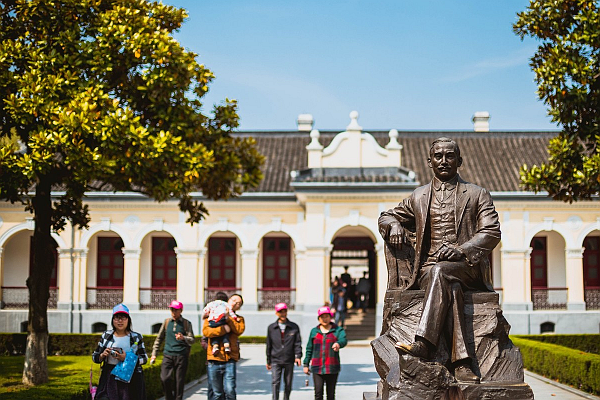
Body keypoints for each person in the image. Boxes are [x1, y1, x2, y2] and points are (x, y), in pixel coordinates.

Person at [378, 137, 501, 384]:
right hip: (427, 271)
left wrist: (462, 250)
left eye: (449, 156)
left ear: (459, 161)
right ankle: (462, 362)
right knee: (445, 281)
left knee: (442, 272)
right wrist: (393, 226)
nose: (443, 161)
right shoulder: (419, 196)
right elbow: (386, 216)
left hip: (467, 268)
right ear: (429, 161)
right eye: (438, 156)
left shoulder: (477, 194)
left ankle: (423, 343)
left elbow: (491, 232)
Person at [92, 303, 148, 400]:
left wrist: (126, 358)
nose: (120, 321)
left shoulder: (136, 337)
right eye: (117, 318)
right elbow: (95, 356)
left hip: (130, 377)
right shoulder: (106, 335)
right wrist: (102, 355)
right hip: (109, 377)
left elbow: (144, 358)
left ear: (128, 320)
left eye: (123, 318)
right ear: (113, 320)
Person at [150, 300, 195, 400]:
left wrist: (184, 338)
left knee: (179, 382)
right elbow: (159, 338)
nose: (174, 312)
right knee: (165, 378)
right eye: (172, 310)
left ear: (181, 311)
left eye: (176, 310)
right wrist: (154, 354)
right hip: (168, 354)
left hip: (181, 356)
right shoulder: (166, 322)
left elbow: (192, 340)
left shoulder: (186, 323)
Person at [203, 293, 245, 400]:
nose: (235, 303)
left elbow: (238, 330)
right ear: (228, 300)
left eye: (238, 303)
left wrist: (228, 318)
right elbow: (207, 332)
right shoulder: (211, 315)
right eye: (234, 300)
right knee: (216, 393)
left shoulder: (239, 319)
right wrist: (223, 330)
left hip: (229, 358)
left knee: (230, 390)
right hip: (214, 359)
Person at [303, 306, 347, 400]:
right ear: (319, 318)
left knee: (330, 395)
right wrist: (306, 364)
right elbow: (309, 348)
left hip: (332, 367)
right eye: (322, 317)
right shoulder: (314, 331)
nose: (324, 319)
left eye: (326, 316)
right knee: (318, 394)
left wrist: (338, 343)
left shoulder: (337, 330)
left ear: (330, 317)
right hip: (317, 367)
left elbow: (343, 340)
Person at [266, 302, 302, 400]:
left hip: (289, 359)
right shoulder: (271, 328)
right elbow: (269, 345)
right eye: (280, 312)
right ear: (276, 313)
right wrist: (268, 361)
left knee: (288, 383)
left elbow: (297, 343)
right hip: (275, 360)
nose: (283, 314)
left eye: (284, 311)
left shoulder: (294, 327)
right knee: (275, 382)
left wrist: (298, 356)